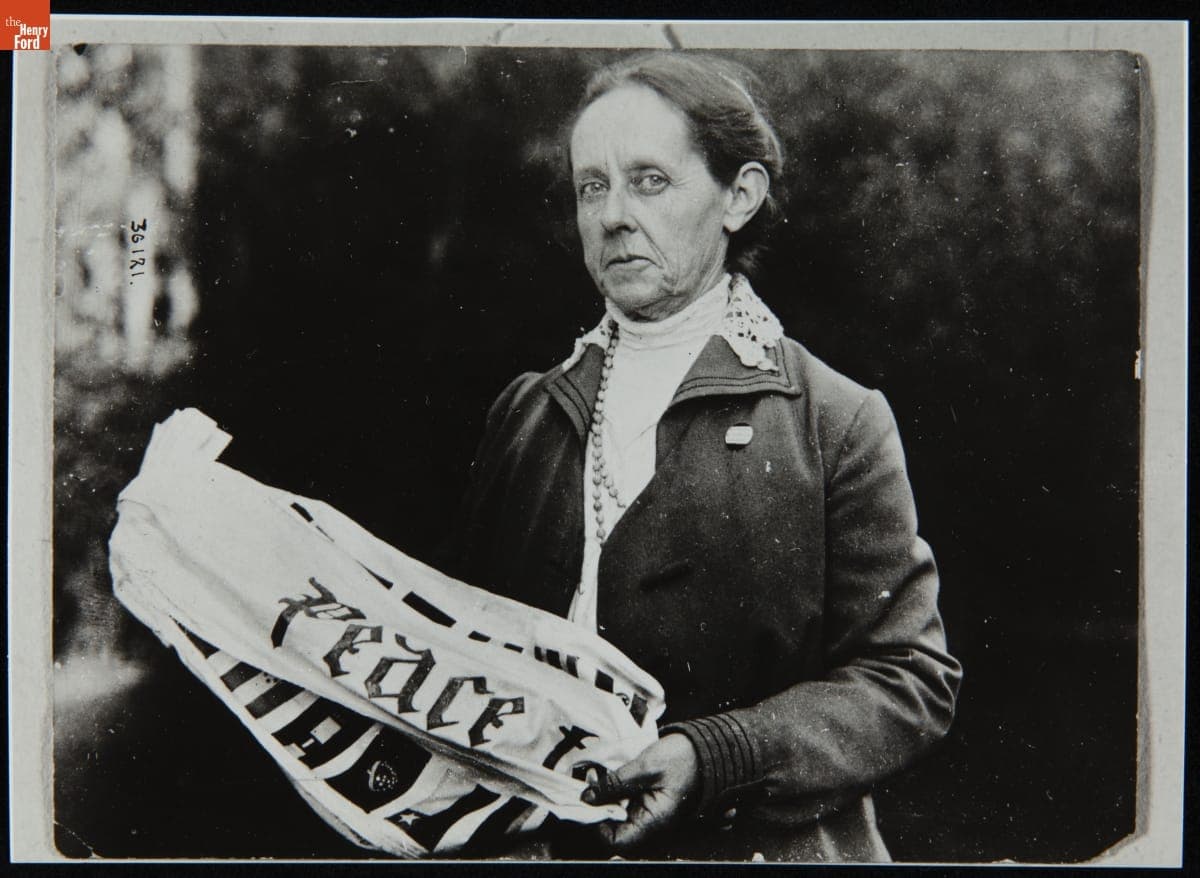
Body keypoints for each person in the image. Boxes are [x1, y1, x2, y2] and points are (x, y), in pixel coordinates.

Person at [446, 52, 961, 862]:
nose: (613, 215)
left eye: (649, 181)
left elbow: (909, 680)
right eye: (592, 186)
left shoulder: (833, 419)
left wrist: (719, 754)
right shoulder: (528, 413)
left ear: (739, 196)